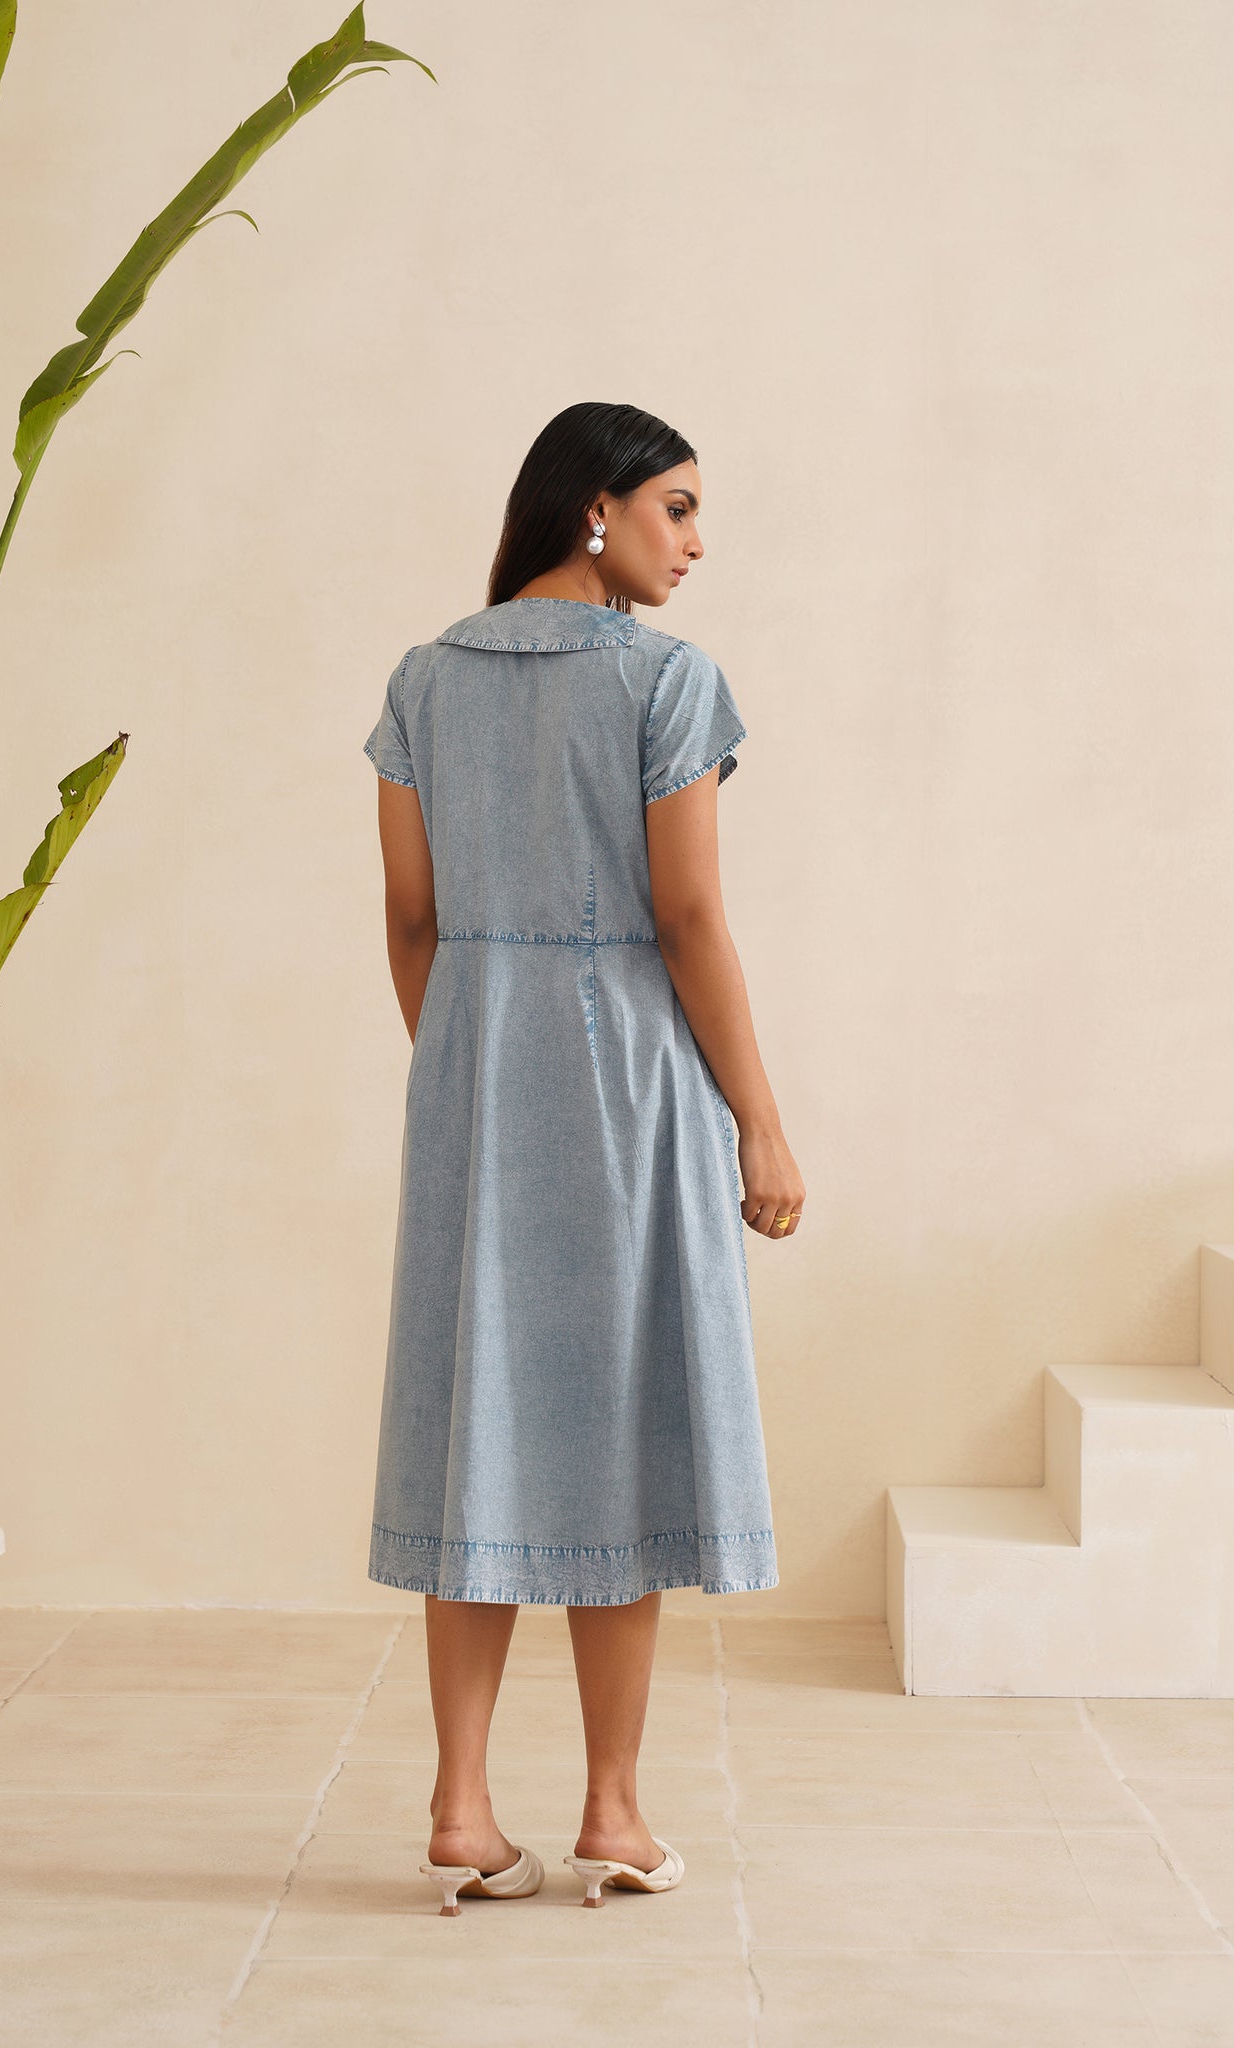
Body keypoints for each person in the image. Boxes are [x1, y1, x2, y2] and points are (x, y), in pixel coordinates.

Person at [362, 401, 805, 1914]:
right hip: (632, 1090)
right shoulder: (665, 682)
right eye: (678, 508)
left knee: (474, 1418)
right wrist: (759, 1120)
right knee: (624, 1421)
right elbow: (688, 918)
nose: (696, 543)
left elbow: (410, 919)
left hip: (471, 1083)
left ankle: (461, 1808)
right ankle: (613, 1812)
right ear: (594, 509)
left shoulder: (424, 679)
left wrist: (472, 1064)